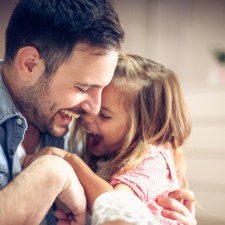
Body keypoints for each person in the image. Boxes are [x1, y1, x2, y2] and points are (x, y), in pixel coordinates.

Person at [25, 54, 197, 225]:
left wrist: (68, 160)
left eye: (104, 115)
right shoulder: (104, 154)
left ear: (144, 128)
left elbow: (114, 204)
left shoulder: (154, 159)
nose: (89, 116)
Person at [0, 0, 124, 224]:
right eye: (82, 88)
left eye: (101, 89)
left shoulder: (68, 121)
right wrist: (53, 172)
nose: (94, 109)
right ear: (30, 65)